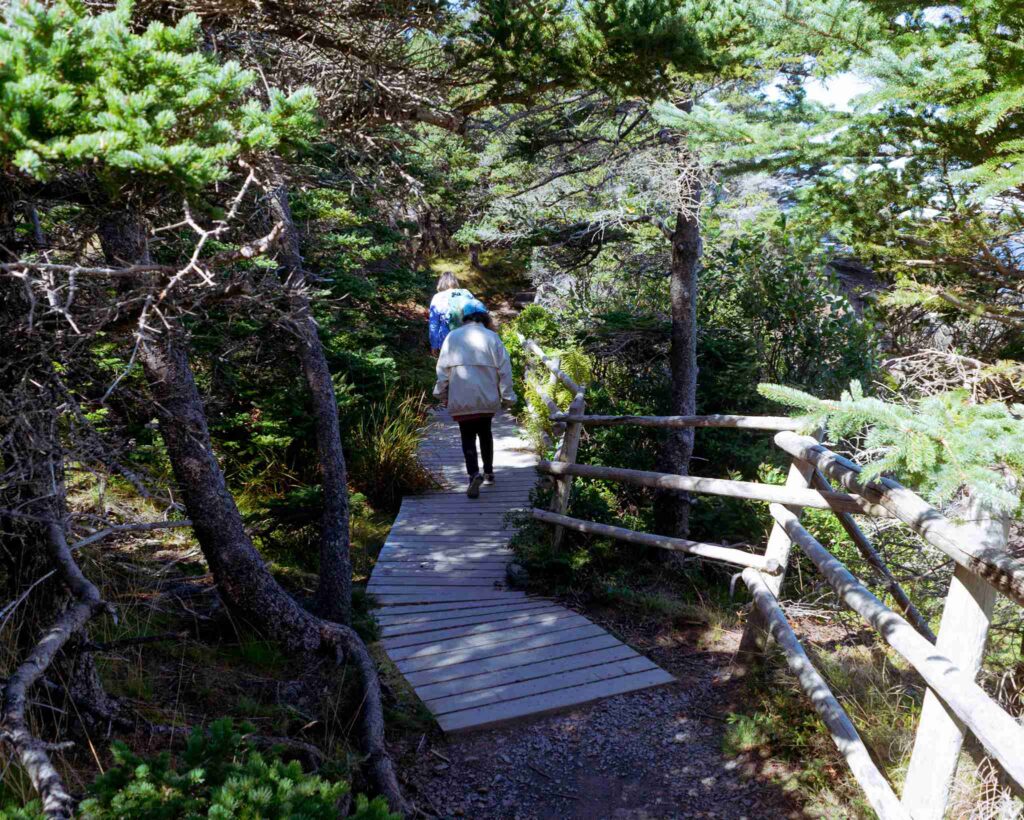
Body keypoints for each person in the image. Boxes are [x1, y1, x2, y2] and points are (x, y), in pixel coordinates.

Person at [433, 299, 517, 498]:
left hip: (461, 398)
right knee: (485, 433)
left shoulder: (452, 337)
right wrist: (507, 396)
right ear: (484, 317)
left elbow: (442, 371)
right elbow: (505, 370)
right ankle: (488, 471)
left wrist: (442, 394)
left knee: (467, 436)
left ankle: (473, 475)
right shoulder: (492, 337)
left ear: (465, 318)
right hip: (486, 398)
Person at [428, 272, 473, 356]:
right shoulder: (466, 293)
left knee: (449, 366)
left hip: (447, 339)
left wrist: (434, 345)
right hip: (468, 336)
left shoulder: (438, 297)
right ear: (455, 281)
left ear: (441, 282)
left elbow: (434, 324)